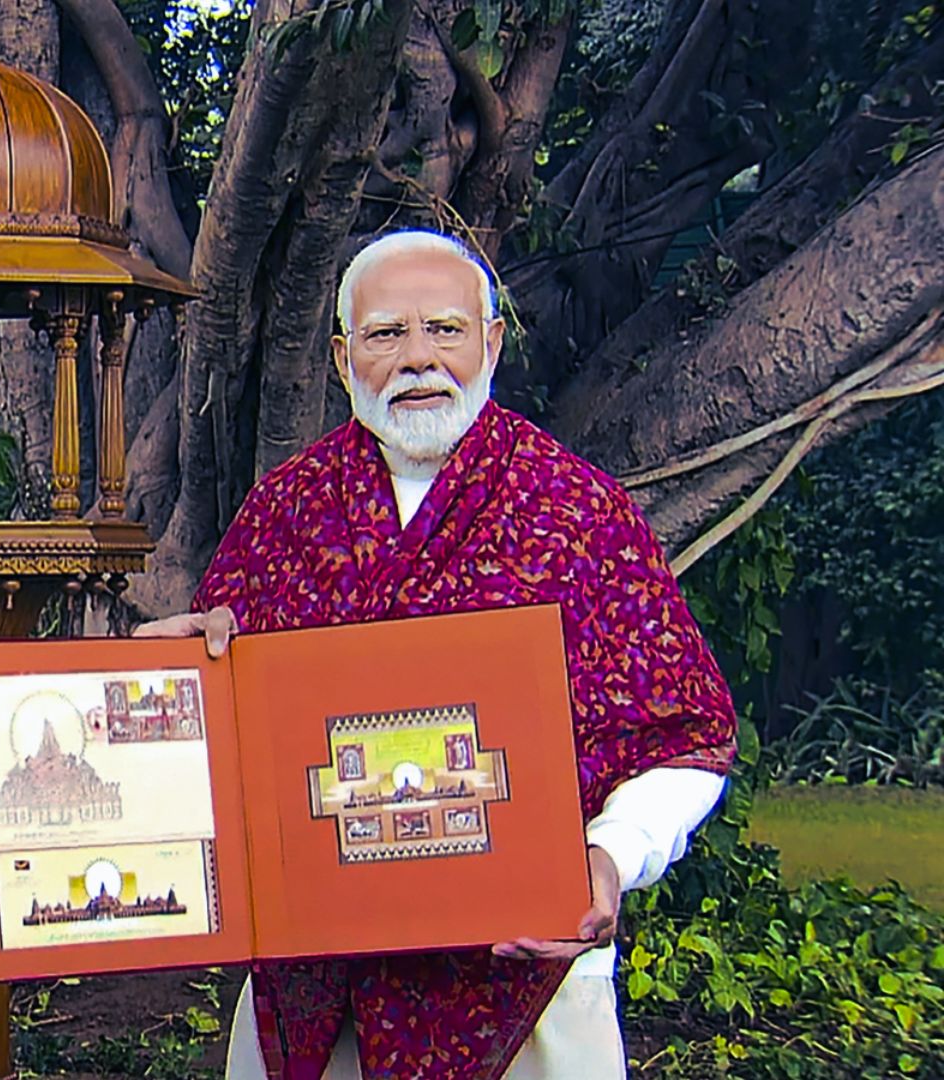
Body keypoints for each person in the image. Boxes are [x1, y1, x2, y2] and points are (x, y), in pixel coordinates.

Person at [136, 229, 735, 1079]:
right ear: (343, 360)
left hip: (525, 990)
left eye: (446, 330)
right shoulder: (285, 511)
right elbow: (235, 744)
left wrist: (608, 858)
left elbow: (684, 736)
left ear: (490, 343)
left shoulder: (579, 516)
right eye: (386, 335)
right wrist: (190, 681)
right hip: (314, 993)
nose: (418, 359)